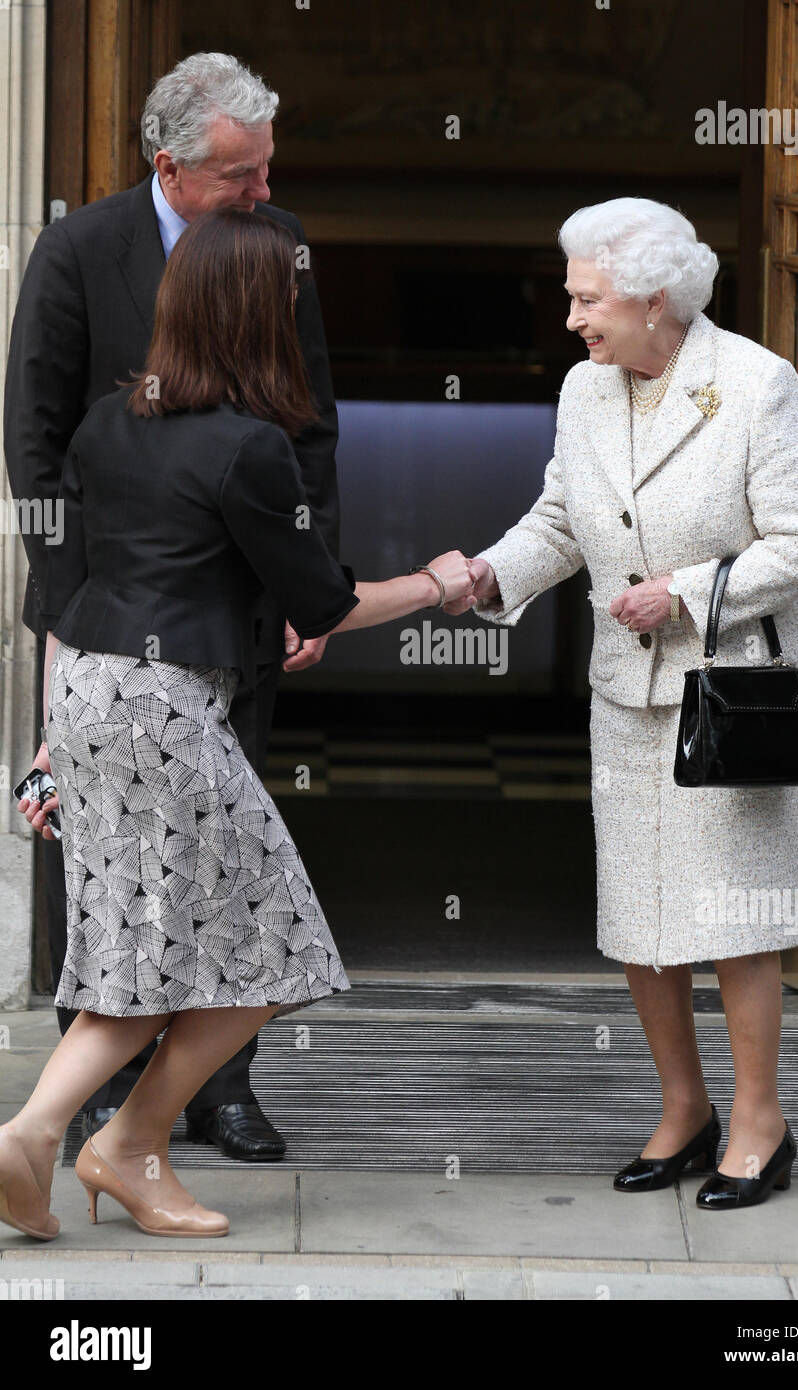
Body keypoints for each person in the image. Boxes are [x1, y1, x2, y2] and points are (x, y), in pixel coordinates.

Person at [0, 207, 475, 1241]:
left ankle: (48, 1136)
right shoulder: (251, 448)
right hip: (166, 713)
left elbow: (68, 586)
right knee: (278, 949)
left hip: (84, 689)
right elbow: (328, 604)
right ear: (259, 314)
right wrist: (441, 582)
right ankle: (114, 1142)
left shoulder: (106, 420)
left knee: (140, 951)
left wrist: (46, 738)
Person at [450, 197, 798, 1210]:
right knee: (641, 914)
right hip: (628, 691)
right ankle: (685, 1110)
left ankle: (761, 1119)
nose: (572, 315)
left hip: (733, 687)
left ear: (655, 297)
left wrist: (686, 591)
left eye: (588, 296)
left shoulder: (755, 385)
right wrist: (491, 576)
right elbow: (560, 520)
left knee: (738, 915)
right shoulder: (584, 391)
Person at [3, 52, 340, 1159]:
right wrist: (72, 609)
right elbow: (35, 445)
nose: (261, 192)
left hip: (232, 617)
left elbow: (310, 425)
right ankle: (100, 1097)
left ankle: (218, 1090)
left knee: (227, 869)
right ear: (172, 167)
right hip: (105, 621)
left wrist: (309, 584)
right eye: (241, 175)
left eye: (266, 169)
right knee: (108, 860)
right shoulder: (78, 249)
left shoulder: (276, 242)